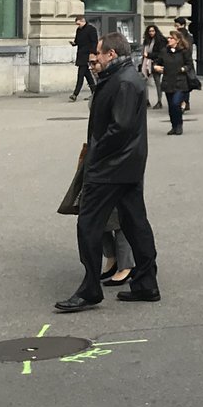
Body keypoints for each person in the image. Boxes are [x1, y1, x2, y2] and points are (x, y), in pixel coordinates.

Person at [54, 31, 160, 312]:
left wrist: (96, 154)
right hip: (126, 164)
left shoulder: (123, 81)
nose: (95, 58)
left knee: (89, 224)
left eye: (99, 53)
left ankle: (91, 289)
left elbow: (119, 128)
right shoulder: (123, 77)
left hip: (111, 167)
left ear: (111, 54)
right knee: (135, 222)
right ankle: (146, 283)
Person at [87, 49, 135, 286]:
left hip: (115, 160)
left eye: (95, 61)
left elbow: (120, 128)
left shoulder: (121, 83)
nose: (92, 66)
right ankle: (112, 258)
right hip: (98, 157)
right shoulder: (102, 84)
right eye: (90, 63)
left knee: (119, 214)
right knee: (98, 214)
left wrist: (102, 150)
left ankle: (126, 264)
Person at [154, 30, 194, 136]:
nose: (169, 40)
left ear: (178, 40)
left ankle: (179, 125)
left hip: (180, 82)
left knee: (176, 103)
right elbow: (157, 62)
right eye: (169, 38)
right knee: (171, 106)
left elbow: (189, 64)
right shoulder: (164, 51)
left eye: (171, 38)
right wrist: (156, 67)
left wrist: (183, 69)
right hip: (168, 81)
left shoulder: (184, 51)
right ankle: (174, 126)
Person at [69, 15, 98, 102]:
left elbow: (94, 42)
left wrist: (92, 53)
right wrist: (74, 43)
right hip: (81, 54)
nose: (78, 26)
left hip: (87, 55)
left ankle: (75, 94)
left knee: (80, 75)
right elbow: (77, 41)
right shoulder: (79, 30)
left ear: (83, 21)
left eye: (79, 24)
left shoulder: (91, 29)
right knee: (87, 75)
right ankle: (95, 93)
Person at [140, 24, 165, 110]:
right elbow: (143, 52)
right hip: (146, 63)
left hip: (156, 63)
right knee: (144, 81)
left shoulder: (160, 40)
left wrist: (149, 55)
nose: (151, 33)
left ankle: (159, 101)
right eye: (149, 31)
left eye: (153, 31)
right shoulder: (147, 41)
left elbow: (161, 53)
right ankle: (146, 100)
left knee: (157, 82)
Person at [174, 16, 194, 111]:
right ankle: (185, 102)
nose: (176, 27)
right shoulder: (189, 36)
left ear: (182, 25)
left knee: (184, 83)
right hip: (186, 62)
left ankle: (184, 102)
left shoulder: (183, 36)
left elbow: (187, 49)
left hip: (183, 62)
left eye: (177, 25)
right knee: (186, 83)